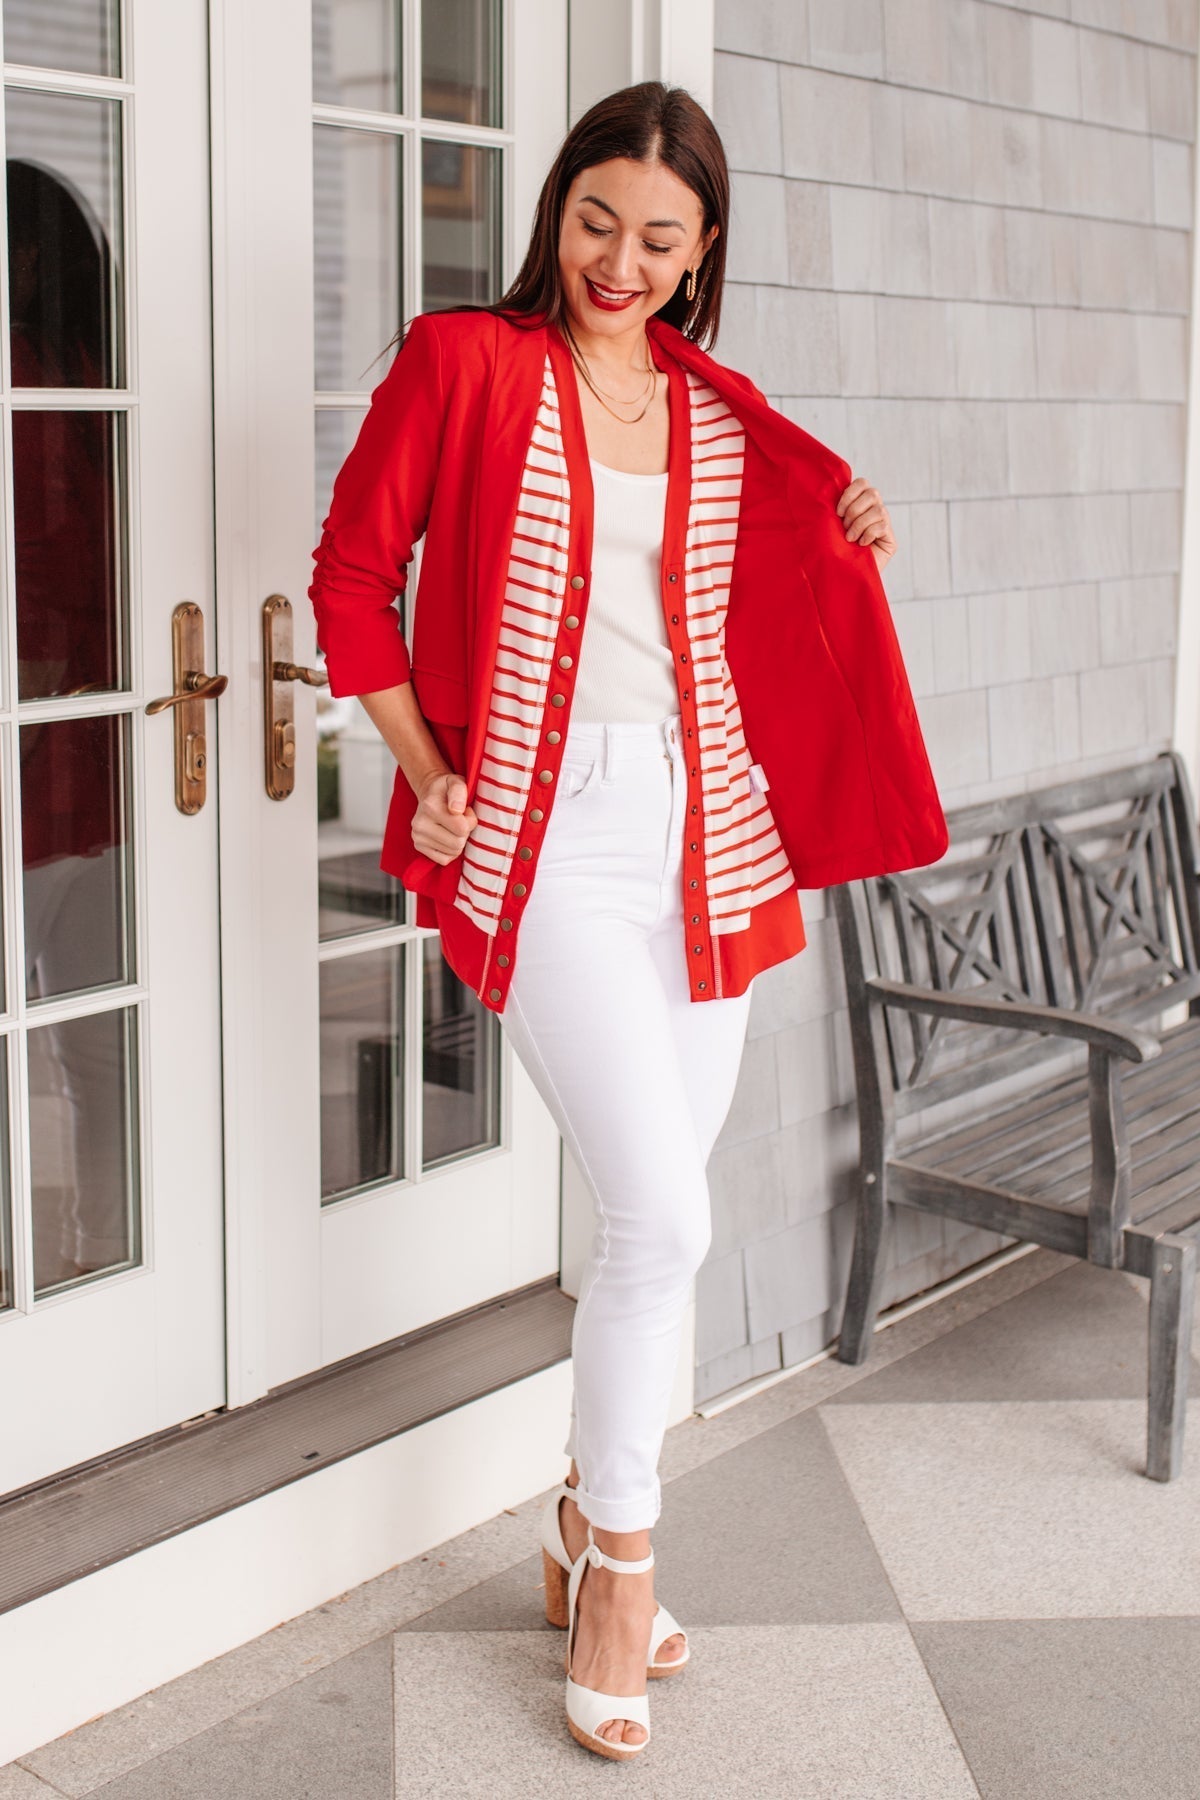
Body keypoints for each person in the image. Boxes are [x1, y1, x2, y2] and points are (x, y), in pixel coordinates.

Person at [309, 80, 948, 1764]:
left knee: (655, 1232)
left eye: (660, 237)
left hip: (708, 837)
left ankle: (579, 1517)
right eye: (597, 220)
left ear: (702, 249)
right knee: (663, 1214)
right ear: (558, 211)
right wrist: (427, 769)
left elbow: (774, 595)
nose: (620, 260)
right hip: (551, 836)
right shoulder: (465, 364)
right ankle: (623, 1574)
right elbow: (352, 580)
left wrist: (855, 527)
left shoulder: (723, 416)